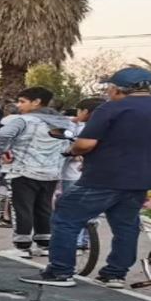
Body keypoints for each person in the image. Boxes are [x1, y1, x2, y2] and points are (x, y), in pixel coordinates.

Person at [21, 67, 151, 288]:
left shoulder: (110, 109)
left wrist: (73, 151)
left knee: (65, 218)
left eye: (110, 87)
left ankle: (60, 272)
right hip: (140, 181)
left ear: (118, 89)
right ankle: (115, 274)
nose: (108, 92)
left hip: (103, 178)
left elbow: (85, 144)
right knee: (126, 226)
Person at [0, 87, 73, 259]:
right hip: (51, 173)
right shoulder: (65, 122)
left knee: (22, 208)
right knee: (43, 208)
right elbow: (72, 145)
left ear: (36, 102)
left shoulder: (24, 121)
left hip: (23, 171)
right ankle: (44, 245)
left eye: (22, 101)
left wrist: (1, 152)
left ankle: (22, 247)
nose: (19, 105)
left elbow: (2, 135)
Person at [59, 98, 106, 252]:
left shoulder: (92, 127)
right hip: (99, 174)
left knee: (70, 210)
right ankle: (83, 240)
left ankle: (77, 243)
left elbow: (81, 147)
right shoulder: (110, 124)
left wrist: (75, 151)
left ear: (84, 111)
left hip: (76, 174)